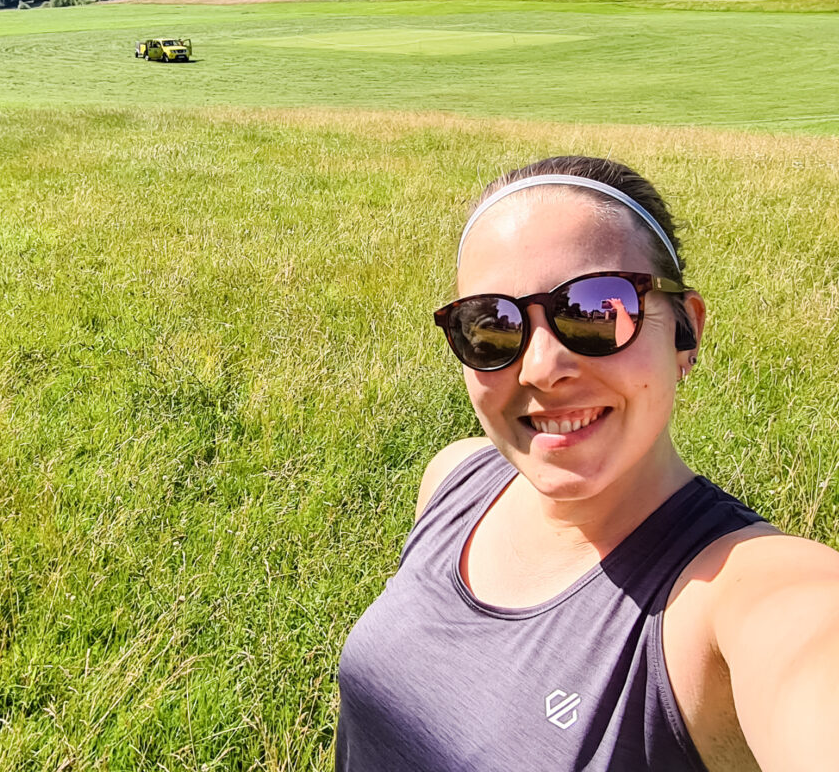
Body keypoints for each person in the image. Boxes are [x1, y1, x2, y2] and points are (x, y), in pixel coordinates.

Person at [335, 156, 839, 771]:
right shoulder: (454, 480)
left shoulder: (734, 596)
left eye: (598, 310)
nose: (542, 368)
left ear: (686, 333)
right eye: (490, 326)